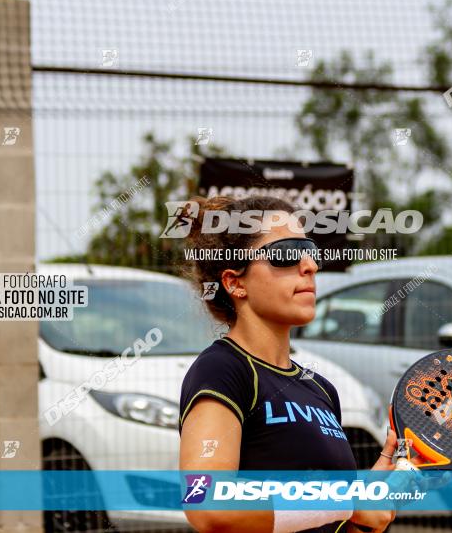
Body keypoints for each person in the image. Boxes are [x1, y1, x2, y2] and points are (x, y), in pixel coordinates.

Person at [178, 195, 417, 532]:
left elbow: (326, 520)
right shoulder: (222, 369)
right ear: (234, 282)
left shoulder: (321, 389)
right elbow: (206, 502)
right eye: (287, 253)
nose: (310, 265)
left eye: (309, 251)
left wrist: (371, 505)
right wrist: (348, 500)